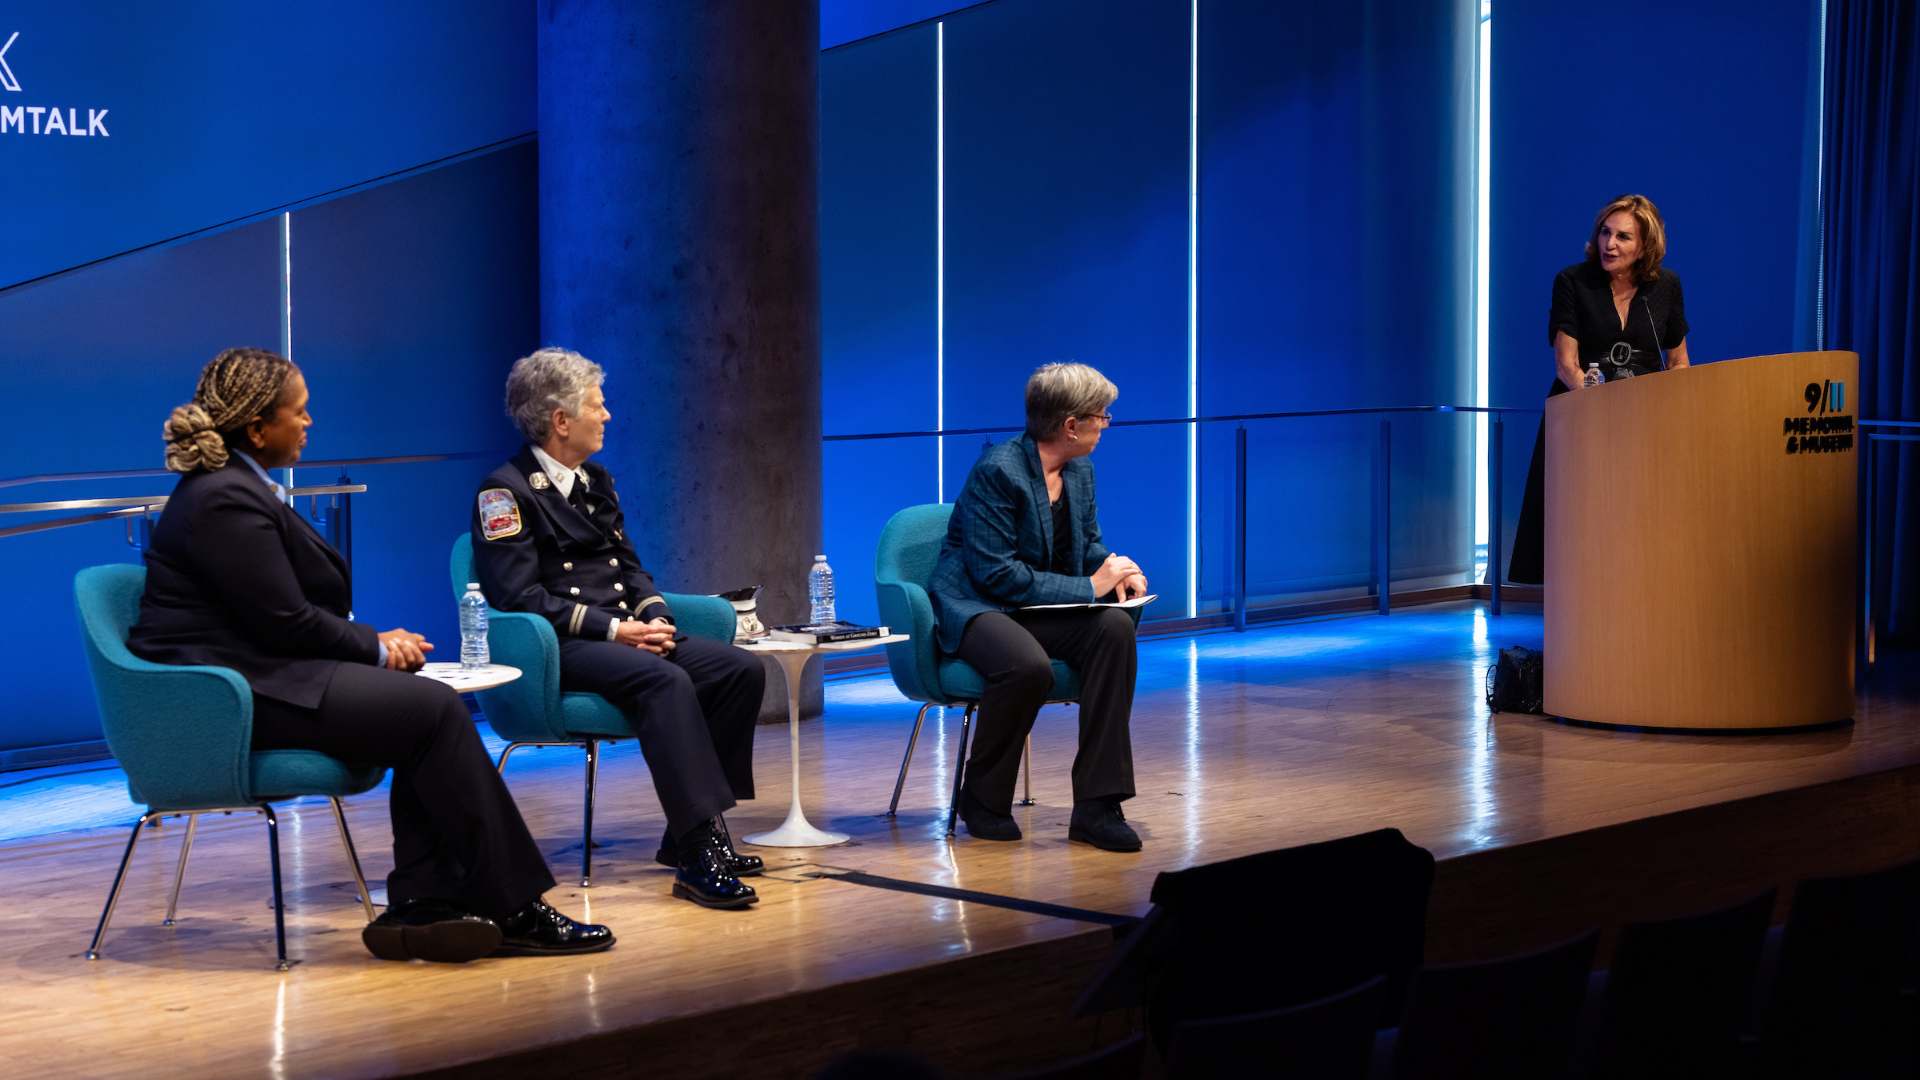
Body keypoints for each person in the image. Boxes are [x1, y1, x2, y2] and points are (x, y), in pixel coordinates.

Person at [128, 347, 612, 962]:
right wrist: (376, 649)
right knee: (431, 711)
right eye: (298, 414)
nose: (309, 424)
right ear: (257, 428)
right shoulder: (221, 497)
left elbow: (281, 618)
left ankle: (423, 905)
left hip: (262, 677)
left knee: (425, 714)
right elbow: (283, 622)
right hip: (229, 697)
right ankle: (509, 906)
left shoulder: (236, 486)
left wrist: (373, 648)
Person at [471, 347, 766, 910]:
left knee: (739, 671)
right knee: (665, 681)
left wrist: (654, 616)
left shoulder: (595, 478)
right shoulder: (504, 491)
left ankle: (689, 835)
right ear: (561, 420)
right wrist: (617, 631)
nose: (607, 416)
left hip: (622, 635)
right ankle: (700, 854)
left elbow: (628, 565)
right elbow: (518, 597)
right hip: (561, 649)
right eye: (597, 406)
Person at [928, 362, 1146, 852]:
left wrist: (1117, 569)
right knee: (1026, 667)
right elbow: (995, 574)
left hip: (1034, 605)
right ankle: (982, 798)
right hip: (978, 604)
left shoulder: (1079, 471)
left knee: (1113, 628)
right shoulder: (998, 471)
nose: (1106, 423)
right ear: (1071, 425)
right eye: (1102, 415)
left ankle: (1098, 806)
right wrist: (1091, 586)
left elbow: (1086, 544)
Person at [1508, 194, 1692, 584]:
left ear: (1645, 246)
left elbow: (1678, 362)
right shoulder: (1573, 282)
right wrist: (1600, 406)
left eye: (1623, 237)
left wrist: (1675, 407)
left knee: (1639, 525)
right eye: (1605, 233)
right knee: (1580, 525)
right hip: (1582, 419)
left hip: (1642, 424)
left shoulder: (1667, 287)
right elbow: (1565, 364)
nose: (1610, 244)